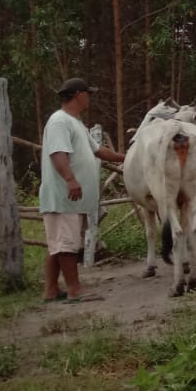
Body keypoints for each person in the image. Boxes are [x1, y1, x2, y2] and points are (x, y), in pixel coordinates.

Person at [40, 78, 126, 302]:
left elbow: (98, 151)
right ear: (78, 94)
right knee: (67, 245)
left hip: (71, 198)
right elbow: (58, 153)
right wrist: (70, 179)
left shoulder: (75, 122)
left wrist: (126, 158)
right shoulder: (59, 121)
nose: (90, 98)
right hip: (63, 195)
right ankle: (75, 290)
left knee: (58, 244)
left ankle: (51, 290)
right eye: (88, 93)